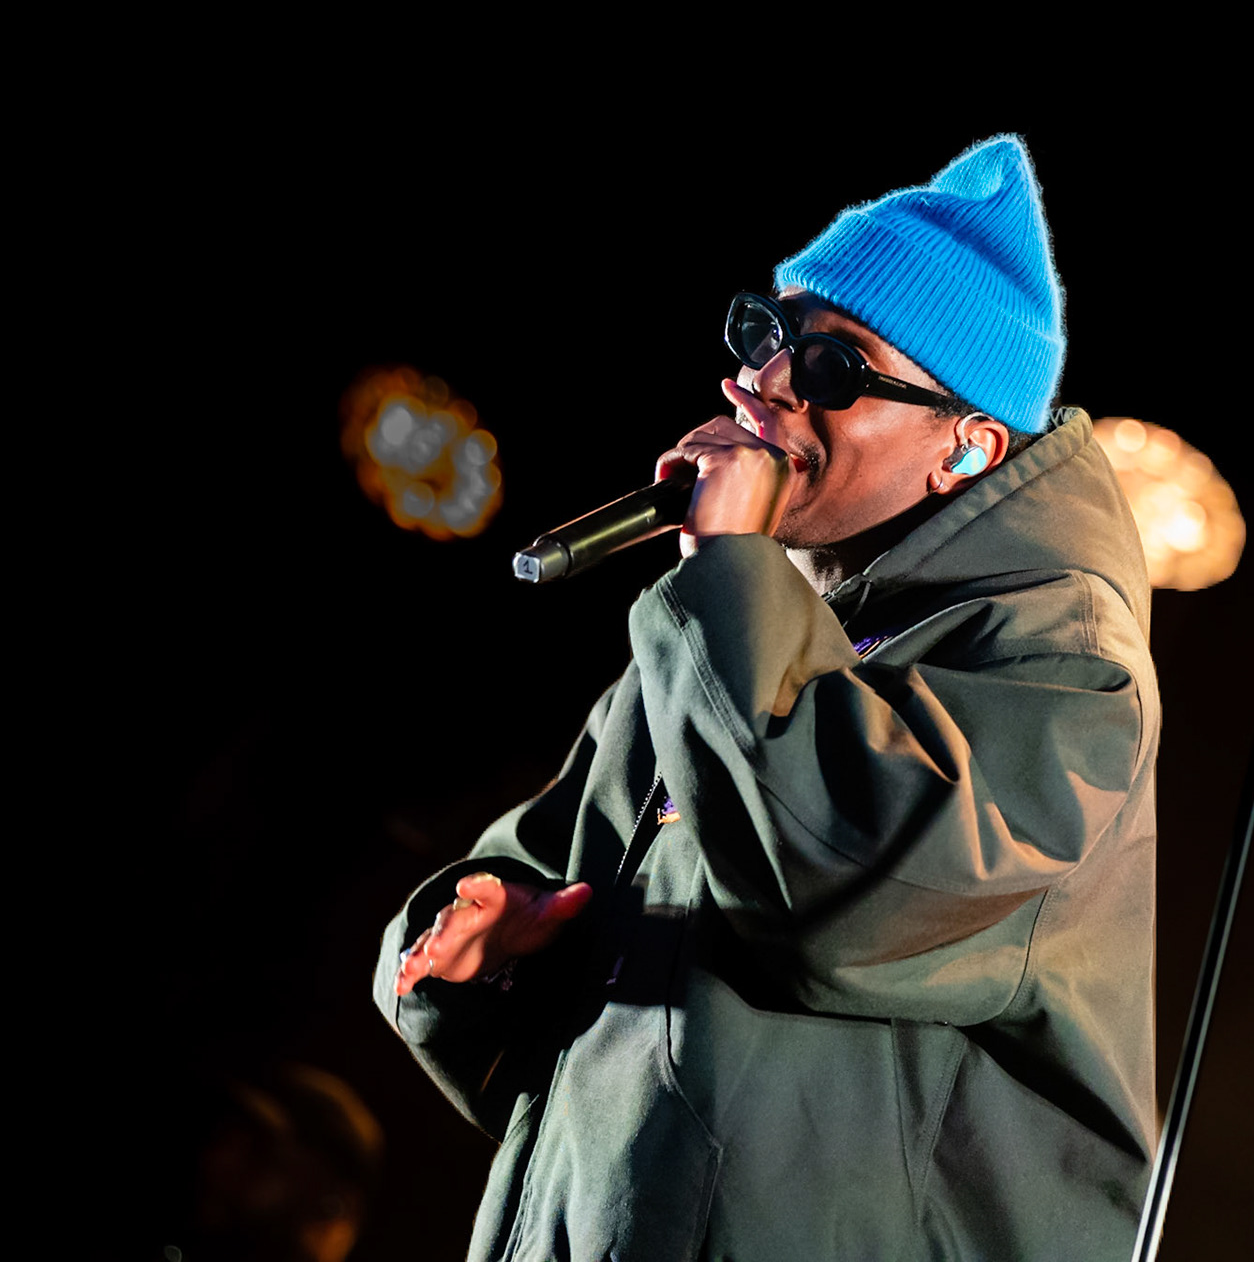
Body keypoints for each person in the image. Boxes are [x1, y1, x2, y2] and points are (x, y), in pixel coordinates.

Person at [375, 135, 1161, 1261]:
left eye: (835, 369)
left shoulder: (1056, 653)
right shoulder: (734, 617)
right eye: (770, 334)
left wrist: (727, 574)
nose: (764, 382)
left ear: (969, 446)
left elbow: (846, 893)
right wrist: (485, 945)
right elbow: (539, 872)